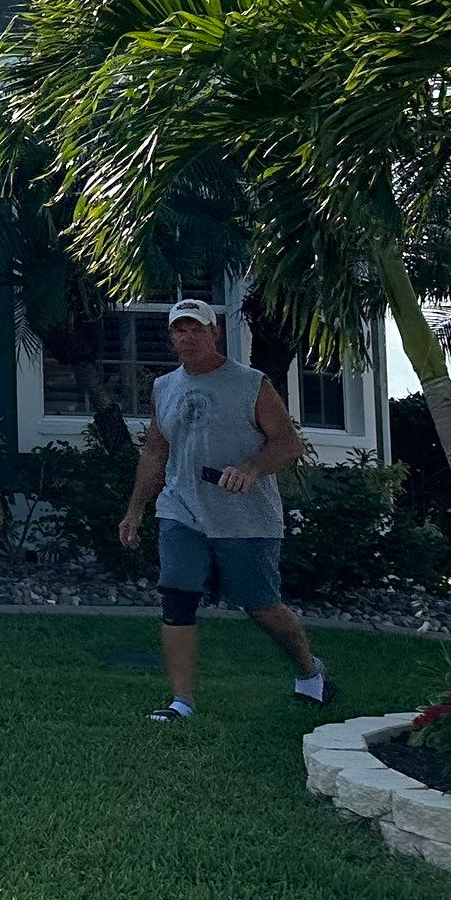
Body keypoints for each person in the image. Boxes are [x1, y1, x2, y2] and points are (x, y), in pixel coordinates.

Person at [117, 297, 328, 721]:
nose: (188, 337)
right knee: (177, 597)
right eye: (180, 330)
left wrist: (251, 470)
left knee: (261, 604)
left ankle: (308, 671)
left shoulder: (251, 384)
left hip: (244, 515)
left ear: (215, 333)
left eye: (197, 329)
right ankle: (182, 702)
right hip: (181, 508)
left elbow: (288, 445)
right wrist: (135, 509)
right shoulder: (165, 387)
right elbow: (157, 450)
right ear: (172, 337)